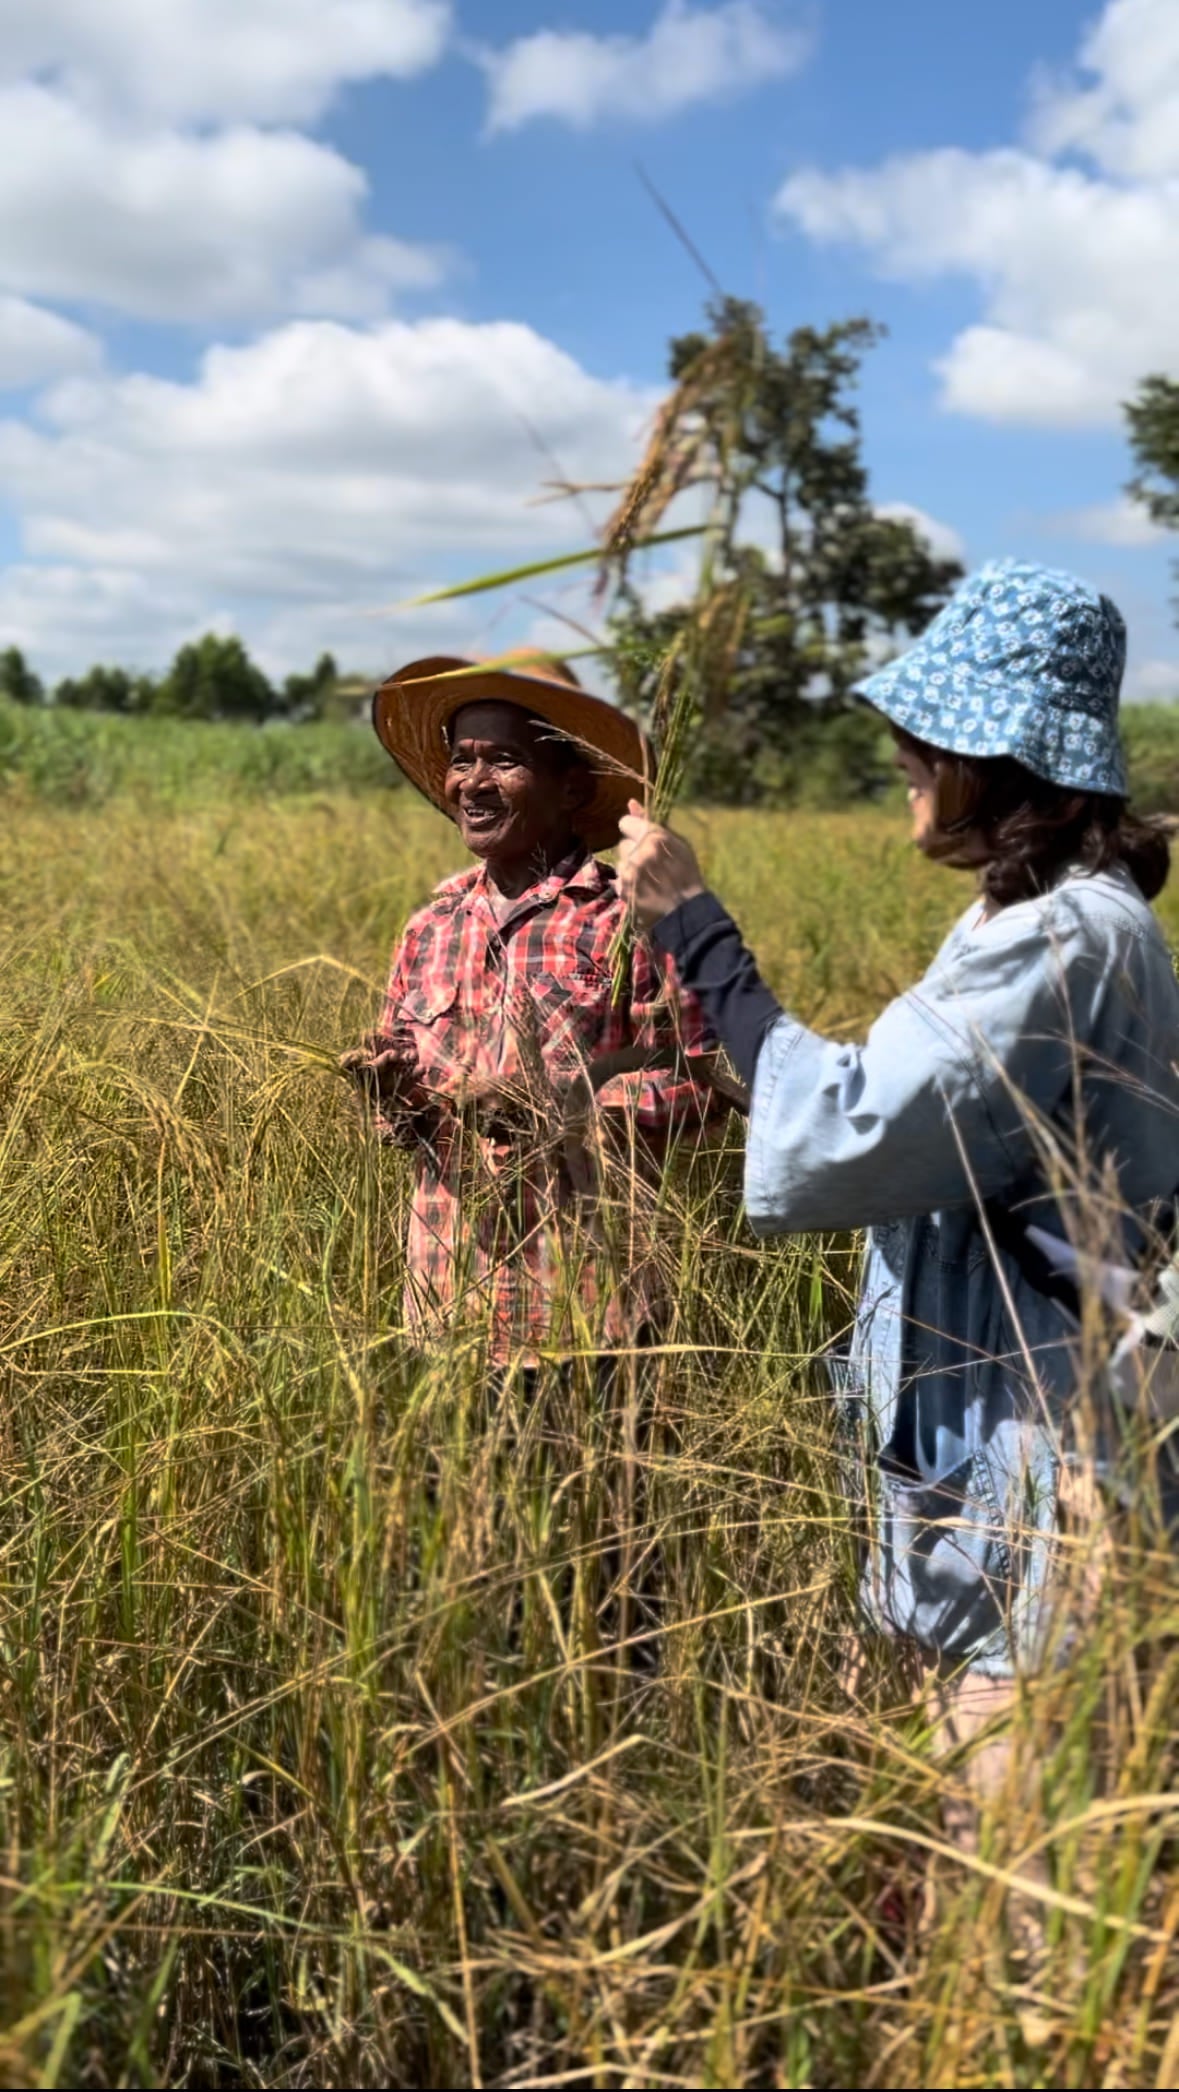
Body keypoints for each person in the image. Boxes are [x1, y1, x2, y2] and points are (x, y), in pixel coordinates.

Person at [617, 560, 1179, 1894]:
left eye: (923, 739)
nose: (900, 762)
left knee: (1012, 1856)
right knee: (973, 1816)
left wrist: (697, 936)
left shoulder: (1057, 937)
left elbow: (857, 1128)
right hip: (1000, 1430)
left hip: (1046, 1447)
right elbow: (928, 1126)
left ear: (997, 756)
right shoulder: (1031, 922)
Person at [343, 650, 725, 1371]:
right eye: (461, 761)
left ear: (571, 784)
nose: (472, 784)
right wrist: (392, 1096)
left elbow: (702, 1082)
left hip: (589, 1311)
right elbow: (406, 1130)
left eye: (505, 761)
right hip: (447, 1304)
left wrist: (563, 1110)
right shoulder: (430, 929)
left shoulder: (626, 919)